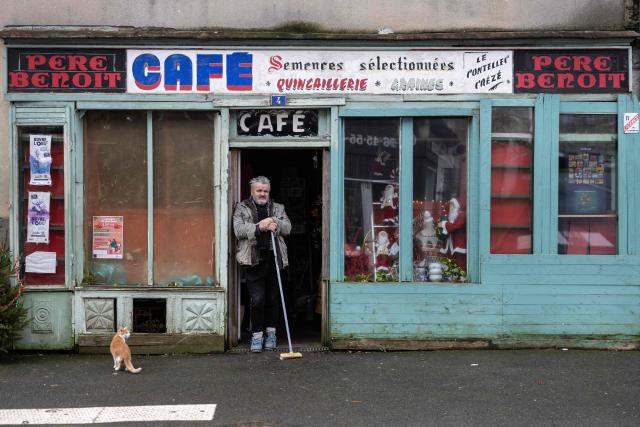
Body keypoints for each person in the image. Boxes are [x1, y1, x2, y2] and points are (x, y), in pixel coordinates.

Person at [233, 176, 291, 353]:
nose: (262, 194)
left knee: (274, 299)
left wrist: (274, 221)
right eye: (259, 190)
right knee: (258, 300)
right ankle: (257, 335)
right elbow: (238, 230)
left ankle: (271, 335)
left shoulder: (278, 208)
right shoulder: (242, 208)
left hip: (275, 259)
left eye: (265, 191)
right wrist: (260, 227)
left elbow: (288, 228)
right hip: (253, 260)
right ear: (252, 191)